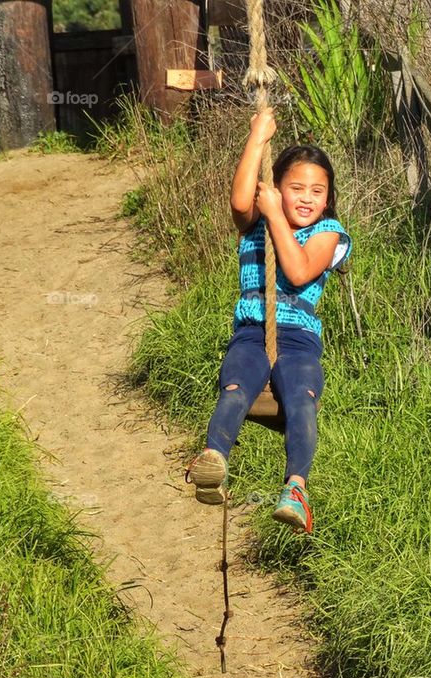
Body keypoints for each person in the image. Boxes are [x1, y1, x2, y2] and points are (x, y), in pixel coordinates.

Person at [184, 107, 352, 534]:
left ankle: (296, 489)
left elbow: (297, 272)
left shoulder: (329, 233)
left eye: (317, 190)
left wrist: (277, 215)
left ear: (328, 197)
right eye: (295, 187)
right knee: (236, 388)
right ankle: (213, 460)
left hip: (298, 342)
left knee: (302, 400)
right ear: (274, 188)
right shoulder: (256, 222)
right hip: (251, 333)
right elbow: (240, 202)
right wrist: (258, 137)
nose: (306, 197)